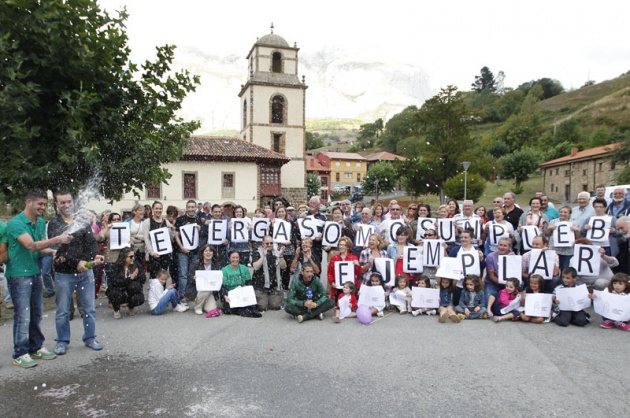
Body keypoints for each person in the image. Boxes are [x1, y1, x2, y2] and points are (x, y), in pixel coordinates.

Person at [5, 189, 73, 368]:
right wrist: (57, 239)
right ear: (29, 202)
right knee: (23, 315)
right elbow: (32, 245)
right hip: (19, 275)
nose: (43, 207)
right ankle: (20, 352)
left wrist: (53, 251)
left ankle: (36, 347)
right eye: (40, 204)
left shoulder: (40, 221)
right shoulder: (15, 223)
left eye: (45, 204)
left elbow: (42, 247)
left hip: (34, 273)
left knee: (36, 313)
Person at [49, 190, 104, 355]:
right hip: (64, 274)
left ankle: (89, 338)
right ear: (57, 205)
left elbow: (91, 242)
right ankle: (62, 341)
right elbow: (58, 252)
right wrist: (76, 263)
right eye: (62, 202)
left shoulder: (82, 221)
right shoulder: (54, 224)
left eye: (69, 202)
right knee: (63, 310)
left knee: (89, 308)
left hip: (85, 272)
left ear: (73, 203)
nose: (66, 205)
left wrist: (96, 255)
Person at [174, 200, 203, 299]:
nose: (191, 209)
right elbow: (176, 235)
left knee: (193, 274)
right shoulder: (180, 219)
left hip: (195, 251)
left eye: (192, 207)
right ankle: (181, 296)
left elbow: (202, 236)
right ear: (186, 208)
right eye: (189, 207)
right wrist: (181, 247)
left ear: (195, 208)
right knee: (183, 274)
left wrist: (200, 229)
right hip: (183, 251)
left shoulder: (199, 219)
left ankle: (191, 295)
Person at [107, 247, 146, 319]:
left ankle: (131, 306)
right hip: (119, 290)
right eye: (131, 257)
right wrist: (130, 279)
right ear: (124, 257)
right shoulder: (116, 267)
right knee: (114, 293)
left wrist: (136, 276)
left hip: (130, 290)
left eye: (134, 256)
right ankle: (116, 309)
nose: (133, 258)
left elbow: (143, 280)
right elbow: (114, 282)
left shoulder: (136, 265)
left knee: (137, 292)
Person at [220, 251, 261, 317]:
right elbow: (223, 286)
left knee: (253, 304)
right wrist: (225, 295)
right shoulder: (224, 270)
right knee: (229, 309)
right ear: (229, 259)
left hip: (242, 291)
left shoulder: (244, 268)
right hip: (231, 293)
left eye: (237, 257)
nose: (235, 259)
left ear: (239, 258)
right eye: (233, 258)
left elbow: (248, 282)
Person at [251, 235, 286, 311]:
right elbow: (256, 267)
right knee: (262, 307)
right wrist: (263, 255)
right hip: (260, 286)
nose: (269, 245)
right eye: (267, 243)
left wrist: (281, 255)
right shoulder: (257, 252)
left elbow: (283, 266)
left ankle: (271, 298)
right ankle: (263, 298)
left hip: (273, 286)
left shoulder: (276, 252)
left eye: (271, 243)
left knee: (275, 306)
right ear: (263, 244)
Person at [187, 244, 221, 317]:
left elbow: (218, 279)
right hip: (199, 290)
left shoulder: (216, 264)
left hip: (211, 292)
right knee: (205, 287)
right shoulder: (196, 263)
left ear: (213, 253)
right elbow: (189, 277)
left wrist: (220, 279)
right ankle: (198, 307)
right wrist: (194, 279)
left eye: (210, 251)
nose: (208, 253)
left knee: (211, 309)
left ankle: (203, 303)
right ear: (202, 253)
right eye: (206, 251)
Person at [143, 201, 173, 279]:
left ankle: (162, 291)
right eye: (156, 208)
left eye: (160, 209)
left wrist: (171, 229)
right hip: (154, 254)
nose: (158, 210)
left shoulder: (166, 221)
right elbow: (146, 238)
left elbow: (170, 238)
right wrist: (152, 252)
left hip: (165, 254)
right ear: (152, 209)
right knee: (154, 277)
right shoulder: (147, 222)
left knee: (163, 277)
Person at [327, 237, 361, 302]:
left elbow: (358, 274)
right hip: (339, 287)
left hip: (350, 287)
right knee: (339, 305)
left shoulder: (354, 258)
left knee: (350, 305)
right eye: (340, 245)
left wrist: (358, 266)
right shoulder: (334, 258)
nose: (341, 247)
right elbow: (329, 273)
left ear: (348, 247)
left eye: (343, 245)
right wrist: (332, 282)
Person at [546, 205, 580, 270]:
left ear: (569, 214)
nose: (562, 214)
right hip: (554, 249)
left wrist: (576, 230)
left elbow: (578, 237)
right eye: (561, 212)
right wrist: (550, 228)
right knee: (553, 269)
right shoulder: (553, 221)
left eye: (565, 212)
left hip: (568, 251)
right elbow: (547, 234)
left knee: (565, 269)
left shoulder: (574, 222)